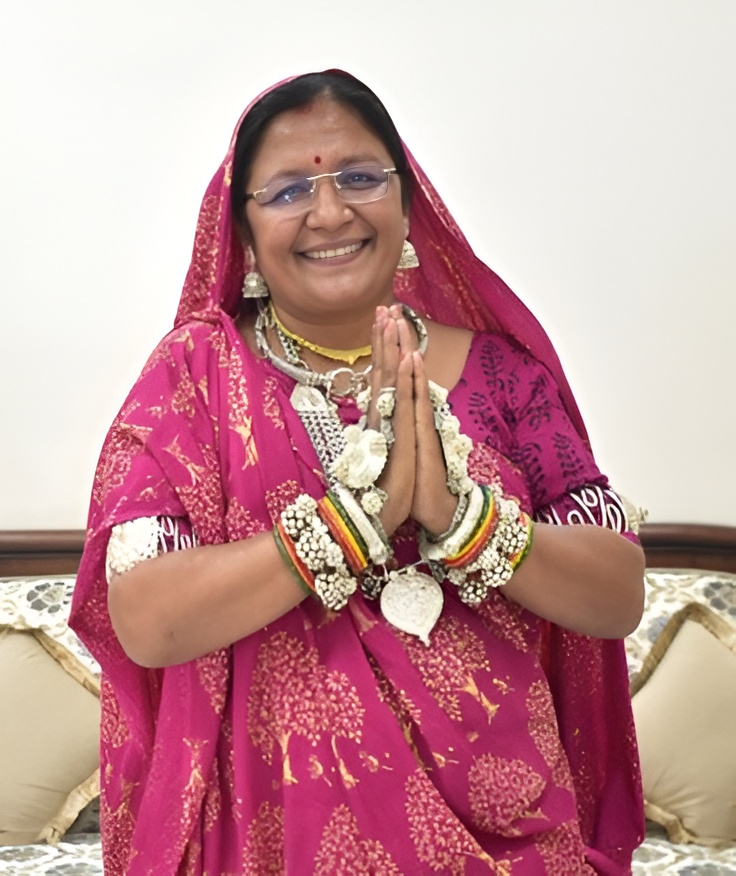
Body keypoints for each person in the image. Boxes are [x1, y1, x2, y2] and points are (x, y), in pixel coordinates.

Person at [71, 70, 645, 875]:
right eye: (288, 190)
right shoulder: (193, 379)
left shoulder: (504, 376)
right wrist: (347, 524)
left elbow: (616, 595)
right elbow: (147, 619)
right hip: (275, 844)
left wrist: (464, 518)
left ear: (408, 205)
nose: (330, 211)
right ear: (242, 231)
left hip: (508, 834)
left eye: (360, 177)